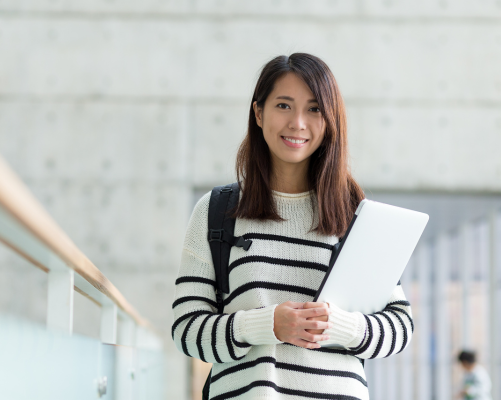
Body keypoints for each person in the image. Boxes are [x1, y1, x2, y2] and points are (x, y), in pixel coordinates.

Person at [171, 53, 414, 400]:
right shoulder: (217, 211)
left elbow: (400, 327)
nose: (298, 123)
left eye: (314, 109)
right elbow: (186, 329)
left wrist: (337, 325)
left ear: (330, 120)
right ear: (258, 113)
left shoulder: (353, 216)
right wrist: (267, 325)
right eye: (283, 105)